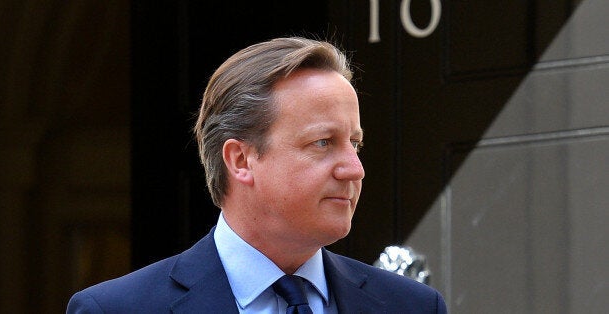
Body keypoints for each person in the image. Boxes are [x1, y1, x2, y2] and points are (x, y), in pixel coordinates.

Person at [67, 37, 447, 313]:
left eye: (355, 144)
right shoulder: (117, 309)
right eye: (322, 143)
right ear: (241, 160)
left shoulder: (412, 306)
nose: (355, 168)